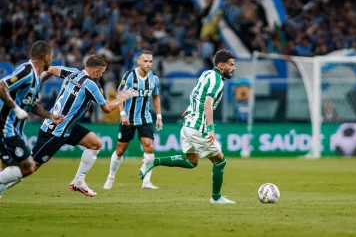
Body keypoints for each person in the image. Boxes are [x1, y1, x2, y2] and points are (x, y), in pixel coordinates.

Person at [6, 55, 135, 197]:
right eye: (102, 72)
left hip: (67, 127)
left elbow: (50, 69)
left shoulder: (73, 72)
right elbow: (107, 108)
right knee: (30, 167)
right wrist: (124, 97)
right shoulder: (91, 84)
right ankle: (2, 184)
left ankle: (78, 181)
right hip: (54, 131)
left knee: (95, 143)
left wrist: (37, 86)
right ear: (95, 71)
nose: (101, 75)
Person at [139, 50, 236, 204]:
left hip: (188, 125)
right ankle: (216, 198)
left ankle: (153, 162)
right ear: (222, 65)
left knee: (192, 161)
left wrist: (190, 108)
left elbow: (197, 93)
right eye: (231, 65)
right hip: (199, 128)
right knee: (220, 161)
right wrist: (211, 128)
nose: (233, 68)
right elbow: (208, 102)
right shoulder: (217, 81)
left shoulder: (206, 74)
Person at [0, 41, 65, 199]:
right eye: (51, 57)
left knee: (10, 167)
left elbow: (32, 106)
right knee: (28, 167)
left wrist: (50, 116)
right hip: (5, 126)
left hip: (13, 129)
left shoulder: (36, 79)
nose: (52, 60)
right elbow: (2, 85)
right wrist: (16, 108)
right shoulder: (27, 70)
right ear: (47, 57)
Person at [103, 50, 163, 190]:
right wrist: (122, 114)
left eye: (150, 61)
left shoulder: (154, 79)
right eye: (145, 61)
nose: (148, 64)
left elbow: (155, 96)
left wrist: (159, 116)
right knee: (120, 150)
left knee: (149, 147)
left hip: (145, 118)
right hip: (128, 119)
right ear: (139, 62)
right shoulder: (129, 76)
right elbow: (120, 95)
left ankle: (146, 181)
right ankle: (110, 178)